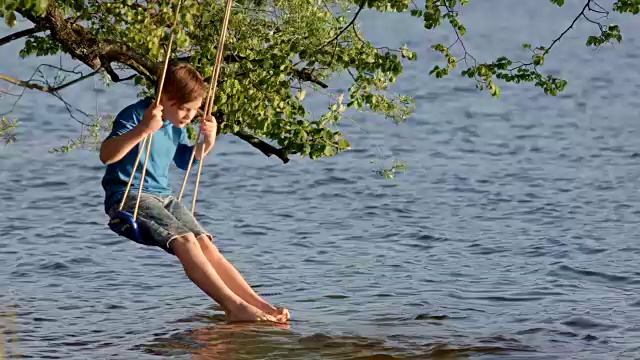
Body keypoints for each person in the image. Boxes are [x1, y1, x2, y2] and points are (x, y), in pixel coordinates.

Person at [99, 62, 289, 324]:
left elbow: (186, 160)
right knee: (185, 240)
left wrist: (206, 143)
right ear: (165, 98)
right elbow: (107, 155)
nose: (189, 117)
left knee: (204, 243)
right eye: (186, 109)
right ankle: (233, 306)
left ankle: (258, 304)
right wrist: (143, 129)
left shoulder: (173, 127)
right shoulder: (135, 116)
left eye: (194, 110)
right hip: (130, 196)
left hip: (163, 197)